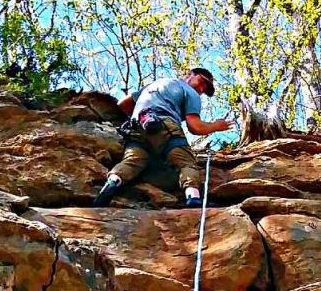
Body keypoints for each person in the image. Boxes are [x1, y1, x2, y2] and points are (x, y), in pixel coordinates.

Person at [92, 67, 236, 208]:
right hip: (164, 125)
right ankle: (193, 197)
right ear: (191, 74)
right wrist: (216, 126)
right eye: (203, 82)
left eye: (206, 88)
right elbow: (195, 127)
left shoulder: (156, 84)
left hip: (136, 127)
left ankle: (112, 182)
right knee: (186, 162)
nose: (202, 89)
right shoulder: (190, 92)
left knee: (133, 161)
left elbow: (123, 104)